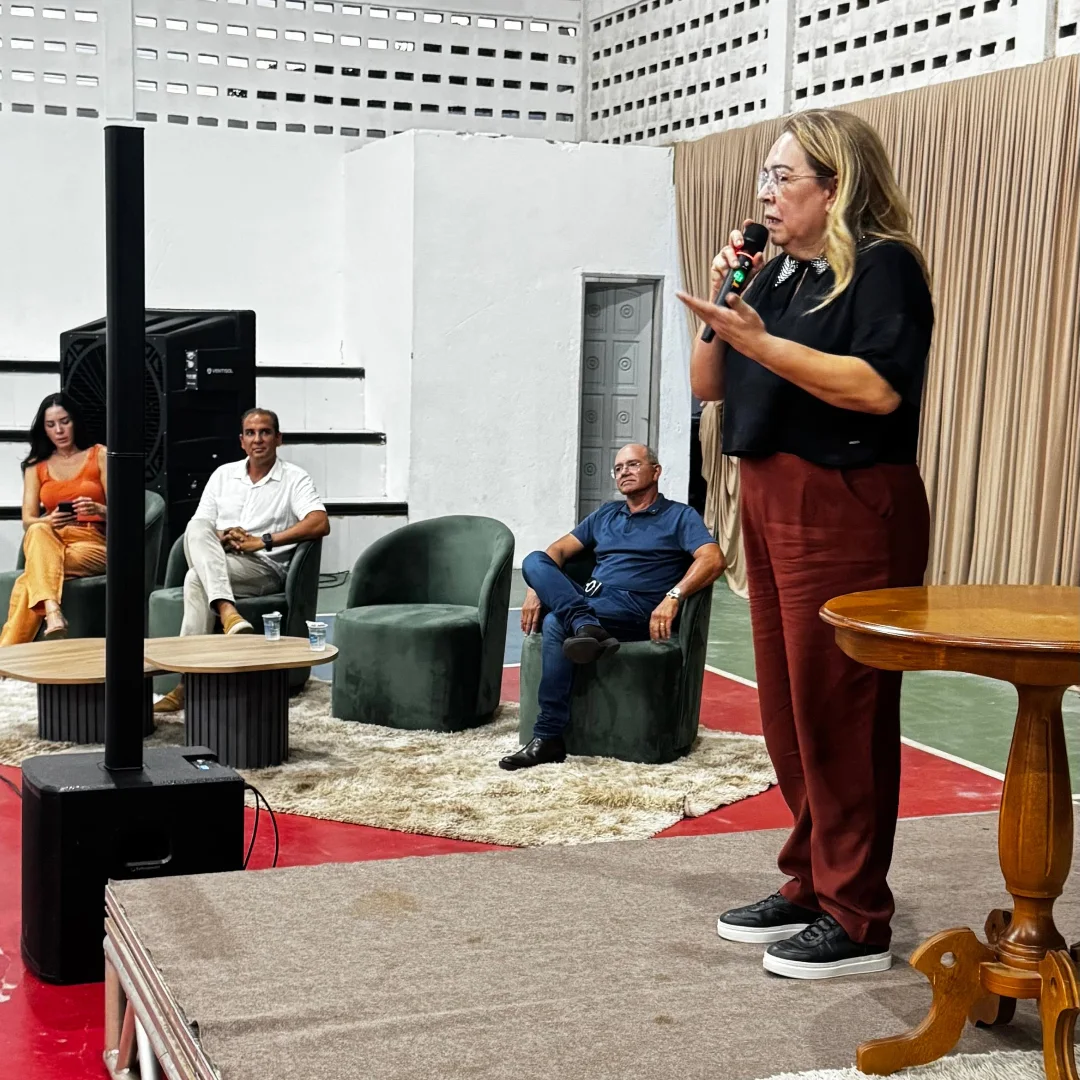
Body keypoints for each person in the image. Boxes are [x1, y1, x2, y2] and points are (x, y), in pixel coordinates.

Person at [679, 109, 934, 980]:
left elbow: (877, 389)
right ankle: (811, 881)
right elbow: (708, 385)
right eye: (764, 177)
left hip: (847, 501)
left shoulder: (884, 267)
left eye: (782, 177)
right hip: (770, 493)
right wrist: (727, 310)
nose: (765, 194)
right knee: (789, 710)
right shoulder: (778, 274)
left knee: (842, 709)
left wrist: (765, 341)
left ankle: (857, 916)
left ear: (836, 185)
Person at [500, 443, 723, 771]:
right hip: (593, 600)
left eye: (633, 465)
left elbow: (713, 558)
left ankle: (547, 736)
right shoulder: (606, 514)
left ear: (655, 472)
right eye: (618, 468)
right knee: (534, 560)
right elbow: (556, 552)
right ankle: (583, 623)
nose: (624, 472)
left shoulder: (680, 516)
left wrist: (673, 597)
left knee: (555, 623)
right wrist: (536, 589)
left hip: (635, 607)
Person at [154, 407, 330, 712]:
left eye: (265, 432)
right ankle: (228, 613)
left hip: (264, 567)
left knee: (195, 577)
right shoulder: (223, 475)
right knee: (197, 528)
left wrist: (262, 540)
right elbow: (202, 526)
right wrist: (225, 535)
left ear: (278, 439)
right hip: (222, 558)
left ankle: (185, 684)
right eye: (251, 433)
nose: (257, 439)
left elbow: (319, 522)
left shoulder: (294, 478)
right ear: (241, 440)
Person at [0, 394, 108, 645]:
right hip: (53, 538)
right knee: (37, 530)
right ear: (44, 429)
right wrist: (49, 521)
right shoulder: (36, 465)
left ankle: (6, 655)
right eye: (51, 425)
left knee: (30, 578)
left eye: (64, 422)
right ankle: (53, 611)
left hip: (91, 543)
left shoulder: (99, 454)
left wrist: (98, 508)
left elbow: (123, 511)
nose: (59, 430)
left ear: (75, 421)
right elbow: (28, 520)